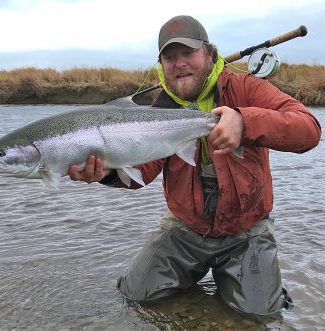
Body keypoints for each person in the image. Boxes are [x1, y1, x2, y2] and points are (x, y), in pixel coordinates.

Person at [68, 15, 321, 316]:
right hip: (185, 228)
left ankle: (264, 286)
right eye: (170, 57)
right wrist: (108, 173)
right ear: (161, 65)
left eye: (188, 53)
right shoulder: (159, 108)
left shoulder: (246, 87)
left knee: (259, 317)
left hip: (247, 228)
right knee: (136, 297)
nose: (180, 63)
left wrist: (245, 122)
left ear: (209, 54)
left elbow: (309, 130)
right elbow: (142, 173)